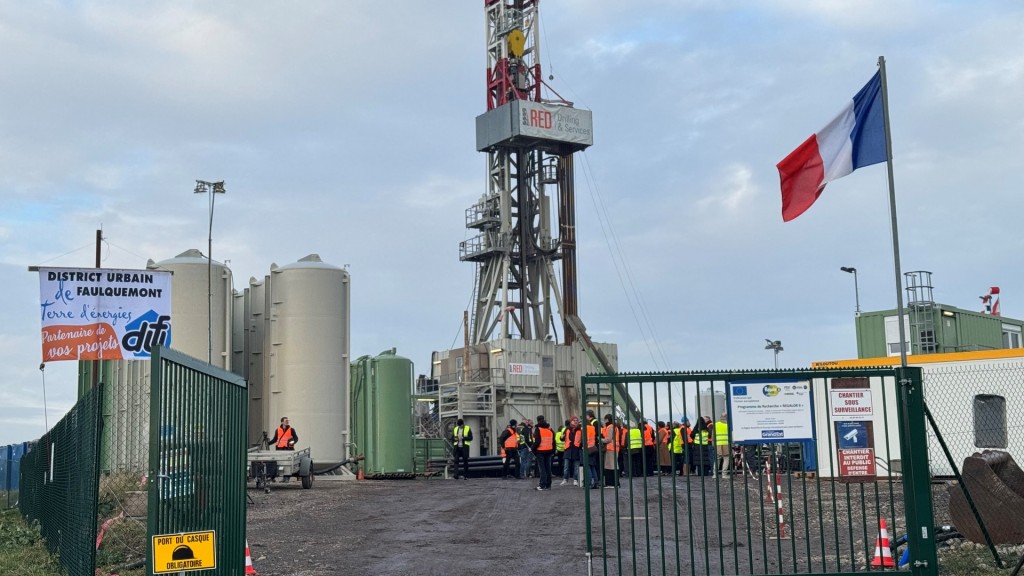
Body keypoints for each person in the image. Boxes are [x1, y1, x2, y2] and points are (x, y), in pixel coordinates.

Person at [532, 415, 555, 490]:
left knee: (542, 469)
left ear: (537, 420)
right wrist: (553, 451)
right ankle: (548, 485)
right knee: (548, 468)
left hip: (540, 451)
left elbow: (537, 441)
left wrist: (532, 449)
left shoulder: (538, 429)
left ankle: (542, 485)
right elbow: (553, 441)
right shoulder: (550, 429)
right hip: (549, 451)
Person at [561, 417, 582, 486]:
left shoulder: (580, 429)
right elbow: (563, 438)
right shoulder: (567, 429)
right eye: (574, 420)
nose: (575, 422)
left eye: (576, 420)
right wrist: (561, 437)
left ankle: (575, 480)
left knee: (576, 466)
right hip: (568, 449)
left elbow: (582, 440)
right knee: (566, 466)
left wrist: (580, 446)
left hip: (576, 449)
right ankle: (565, 479)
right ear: (570, 421)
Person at [601, 414, 619, 487]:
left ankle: (611, 483)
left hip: (610, 448)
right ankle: (615, 483)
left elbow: (608, 439)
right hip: (615, 448)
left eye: (605, 419)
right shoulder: (614, 427)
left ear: (607, 420)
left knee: (610, 466)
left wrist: (601, 439)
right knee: (614, 465)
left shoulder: (610, 427)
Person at [585, 410, 601, 489]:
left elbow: (585, 439)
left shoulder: (589, 426)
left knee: (588, 465)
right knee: (593, 466)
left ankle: (590, 482)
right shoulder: (593, 426)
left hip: (588, 448)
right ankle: (596, 482)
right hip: (594, 448)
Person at [714, 412, 732, 476]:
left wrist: (713, 444)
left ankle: (715, 474)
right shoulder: (729, 425)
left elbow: (713, 435)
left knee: (717, 459)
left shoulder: (716, 424)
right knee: (726, 458)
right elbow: (731, 435)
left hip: (718, 444)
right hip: (726, 444)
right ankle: (724, 474)